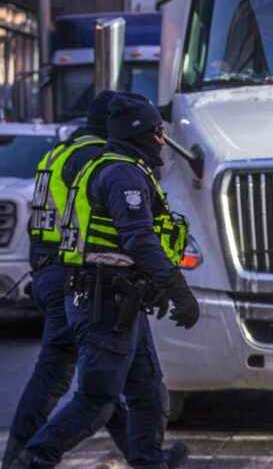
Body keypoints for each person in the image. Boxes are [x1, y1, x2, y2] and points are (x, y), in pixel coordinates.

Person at [11, 92, 199, 469]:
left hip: (112, 289)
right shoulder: (115, 170)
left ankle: (147, 459)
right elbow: (135, 237)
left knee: (145, 388)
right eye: (156, 131)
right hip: (102, 292)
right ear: (138, 132)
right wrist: (177, 289)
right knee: (93, 395)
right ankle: (30, 459)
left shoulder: (95, 161)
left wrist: (154, 281)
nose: (162, 140)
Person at [3, 91, 132, 469]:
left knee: (101, 377)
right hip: (73, 273)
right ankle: (24, 457)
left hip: (47, 269)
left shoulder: (56, 155)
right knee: (85, 378)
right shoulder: (91, 159)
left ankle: (146, 456)